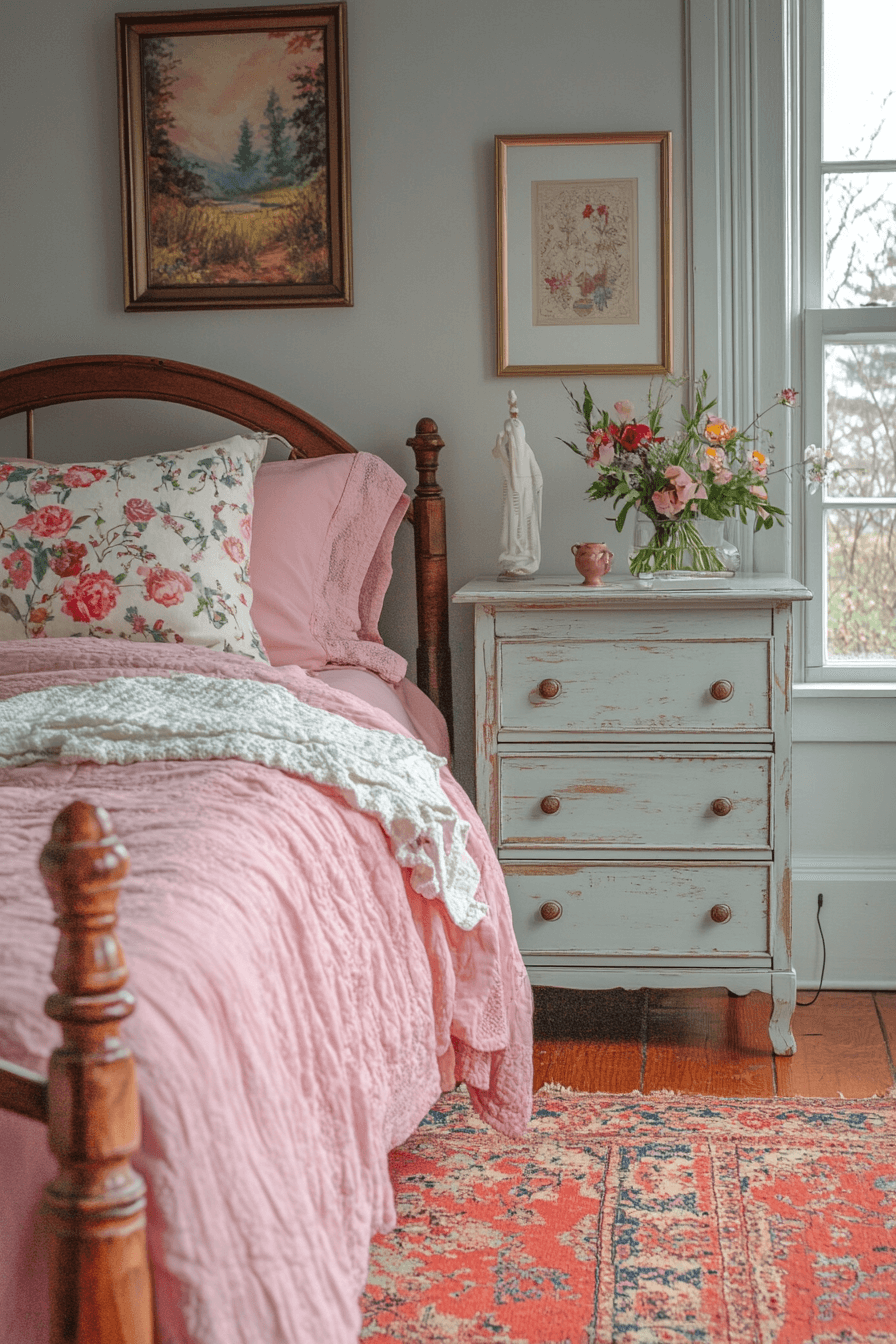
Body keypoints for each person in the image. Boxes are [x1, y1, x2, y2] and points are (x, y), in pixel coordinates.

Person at [492, 390, 543, 579]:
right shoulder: (506, 449)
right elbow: (497, 453)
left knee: (526, 523)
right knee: (513, 524)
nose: (511, 437)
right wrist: (499, 441)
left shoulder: (526, 450)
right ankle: (513, 556)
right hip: (513, 491)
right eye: (509, 434)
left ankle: (525, 557)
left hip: (526, 491)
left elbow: (536, 470)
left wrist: (538, 484)